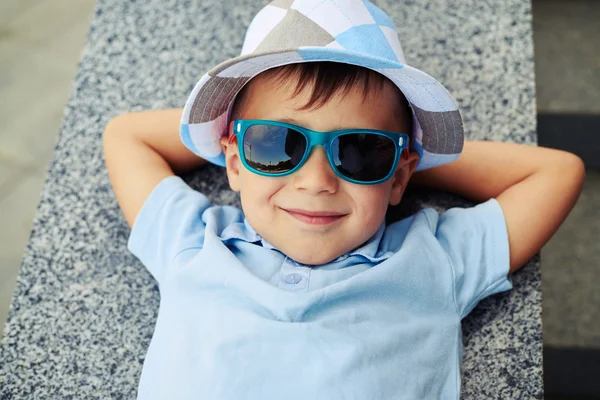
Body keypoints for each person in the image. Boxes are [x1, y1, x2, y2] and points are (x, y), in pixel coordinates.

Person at [103, 0, 585, 398]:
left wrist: (400, 159)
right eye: (276, 144)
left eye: (358, 151)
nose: (316, 182)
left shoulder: (433, 261)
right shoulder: (194, 243)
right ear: (232, 162)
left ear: (401, 178)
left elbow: (557, 172)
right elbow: (125, 136)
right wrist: (375, 162)